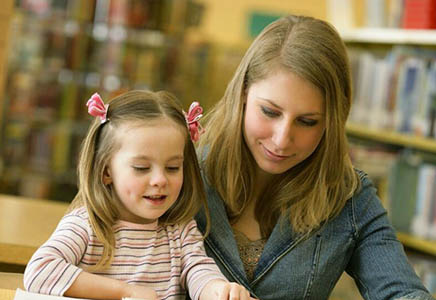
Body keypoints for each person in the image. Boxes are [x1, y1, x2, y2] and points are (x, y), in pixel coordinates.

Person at [195, 15, 434, 299]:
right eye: (270, 112)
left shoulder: (349, 199)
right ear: (243, 94)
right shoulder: (182, 175)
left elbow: (403, 292)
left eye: (307, 121)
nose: (282, 139)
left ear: (331, 123)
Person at [23, 91, 255, 300]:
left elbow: (199, 272)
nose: (160, 180)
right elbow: (40, 270)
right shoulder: (86, 225)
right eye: (142, 168)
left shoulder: (181, 231)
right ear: (106, 172)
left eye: (173, 167)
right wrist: (126, 292)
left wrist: (219, 290)